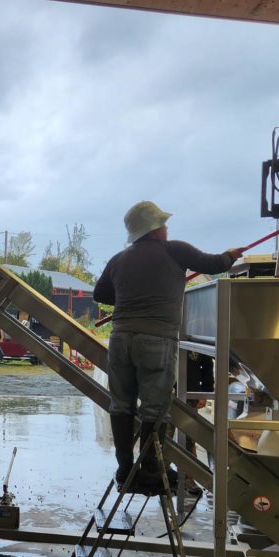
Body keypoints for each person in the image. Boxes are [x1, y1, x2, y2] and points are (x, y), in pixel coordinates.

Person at [93, 201, 241, 492]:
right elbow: (214, 265)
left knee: (121, 405)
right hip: (157, 340)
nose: (167, 228)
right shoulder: (175, 250)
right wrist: (231, 255)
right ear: (155, 228)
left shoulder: (118, 260)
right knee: (154, 408)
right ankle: (150, 470)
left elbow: (101, 293)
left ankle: (125, 470)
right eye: (163, 224)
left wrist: (130, 297)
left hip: (121, 338)